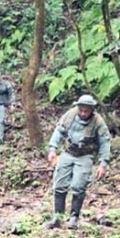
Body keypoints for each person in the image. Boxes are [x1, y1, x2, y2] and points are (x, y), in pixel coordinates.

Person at [45, 94, 112, 229]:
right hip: (68, 152)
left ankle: (74, 217)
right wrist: (52, 149)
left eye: (86, 111)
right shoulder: (70, 115)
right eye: (81, 110)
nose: (83, 113)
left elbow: (105, 141)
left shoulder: (98, 121)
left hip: (85, 155)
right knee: (59, 184)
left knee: (78, 185)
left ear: (92, 110)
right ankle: (58, 217)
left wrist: (103, 163)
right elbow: (59, 131)